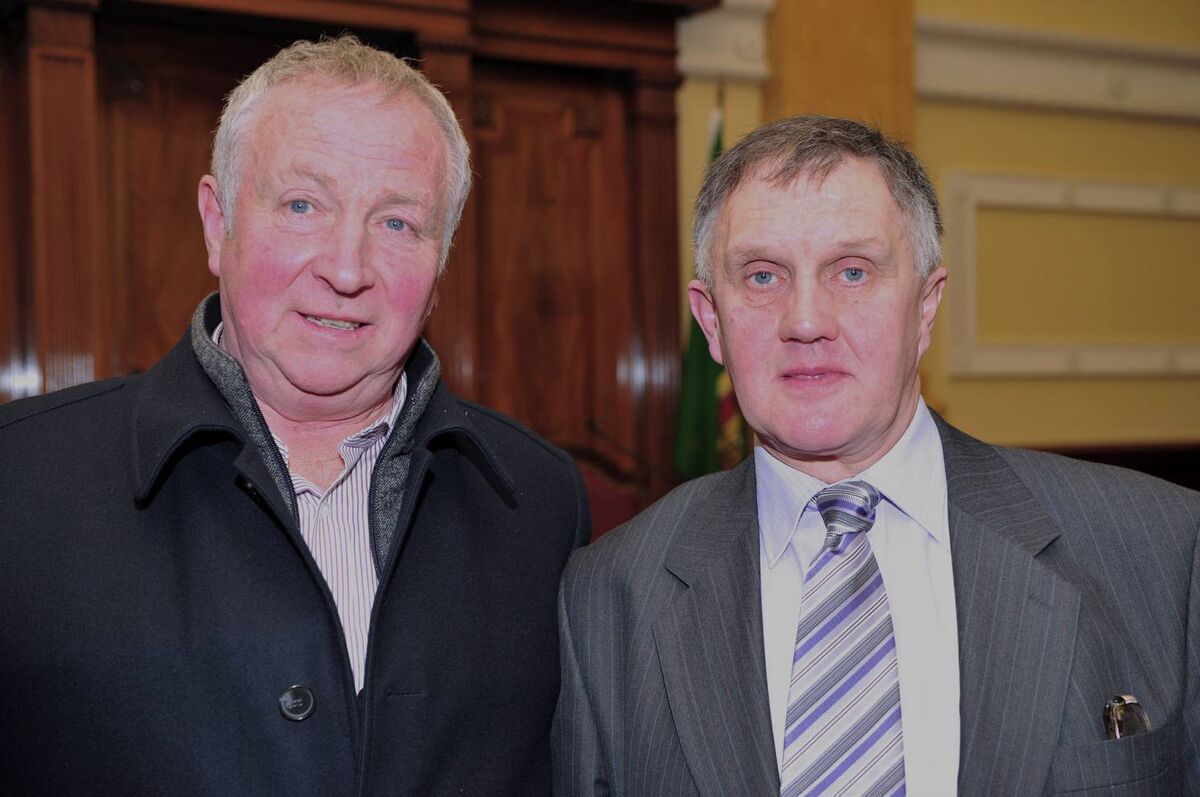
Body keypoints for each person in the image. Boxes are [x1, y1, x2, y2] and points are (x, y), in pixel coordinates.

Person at [0, 36, 589, 795]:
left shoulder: (539, 503)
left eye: (398, 223)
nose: (346, 269)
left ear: (440, 260)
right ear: (217, 223)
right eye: (303, 205)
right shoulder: (22, 486)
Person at [552, 115, 1198, 795]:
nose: (806, 321)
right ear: (711, 321)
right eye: (763, 276)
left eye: (852, 271)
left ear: (926, 305)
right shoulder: (612, 595)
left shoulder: (1161, 551)